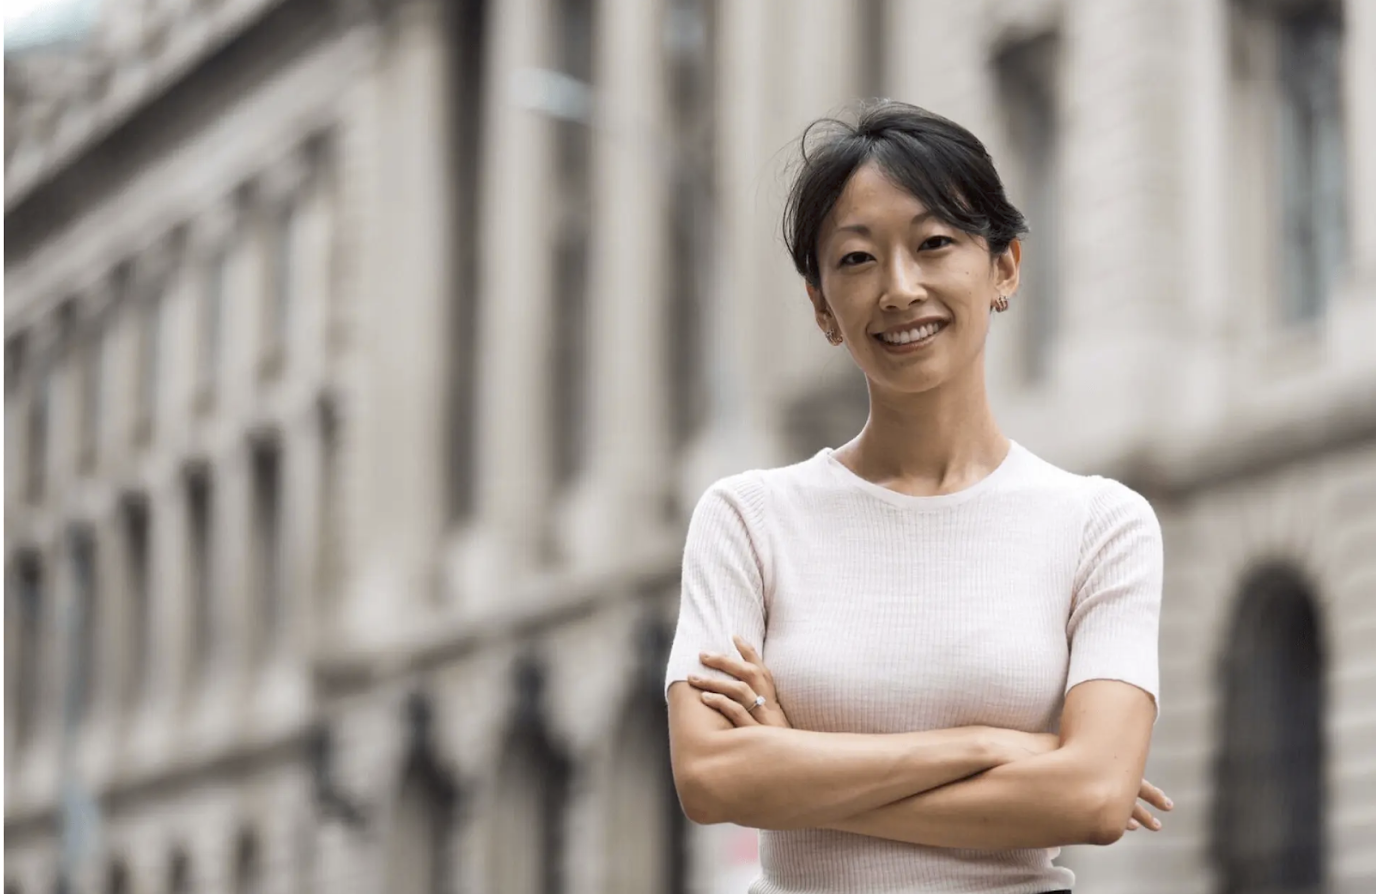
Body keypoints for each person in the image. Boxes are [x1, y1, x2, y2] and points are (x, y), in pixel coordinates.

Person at [663, 100, 1171, 894]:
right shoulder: (748, 520)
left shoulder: (1101, 526)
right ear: (823, 306)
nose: (900, 289)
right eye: (858, 260)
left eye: (935, 244)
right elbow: (711, 778)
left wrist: (797, 769)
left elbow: (1095, 795)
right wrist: (991, 747)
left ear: (1005, 267)